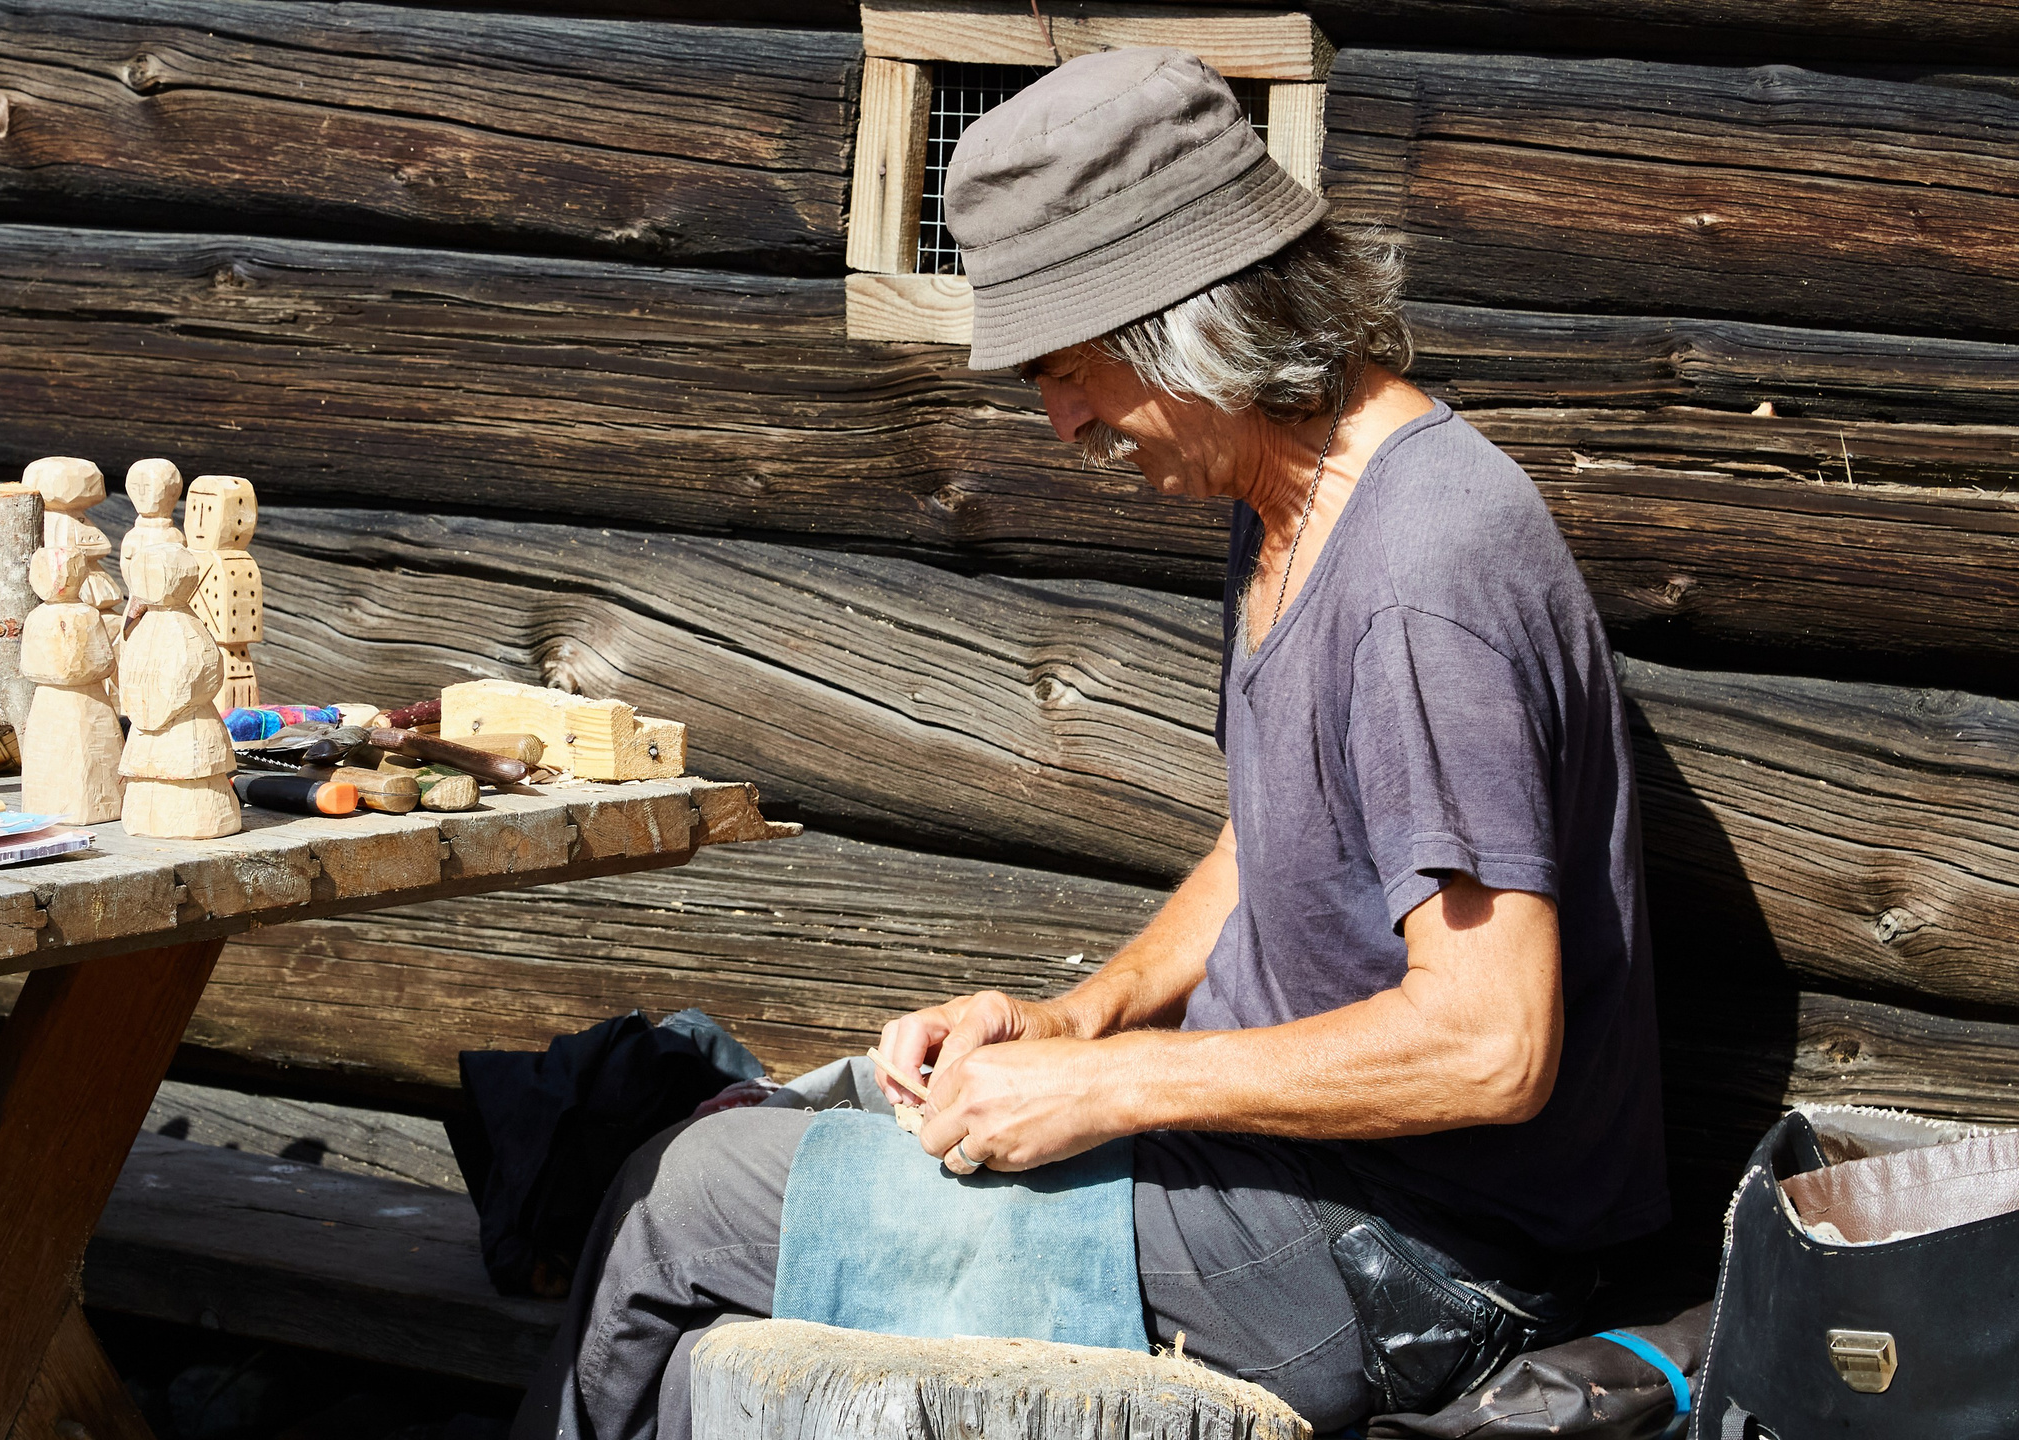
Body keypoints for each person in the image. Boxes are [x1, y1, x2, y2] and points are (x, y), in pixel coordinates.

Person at [511, 46, 1666, 1439]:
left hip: (1422, 1259)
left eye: (1072, 371)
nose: (1061, 425)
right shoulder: (1292, 498)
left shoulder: (1425, 568)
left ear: (1196, 321)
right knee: (738, 1187)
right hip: (1296, 1191)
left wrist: (1103, 1086)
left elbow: (1491, 1043)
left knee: (682, 1203)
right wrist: (1076, 1019)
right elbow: (1279, 840)